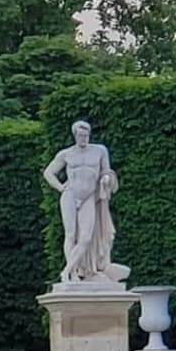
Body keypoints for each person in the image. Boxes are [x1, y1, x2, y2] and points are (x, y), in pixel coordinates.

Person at [43, 120, 130, 285]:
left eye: (86, 135)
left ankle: (66, 270)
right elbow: (48, 173)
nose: (84, 138)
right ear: (75, 135)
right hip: (70, 195)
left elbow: (106, 170)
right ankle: (73, 274)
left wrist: (106, 179)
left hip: (89, 197)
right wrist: (61, 188)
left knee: (85, 238)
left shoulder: (99, 151)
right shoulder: (66, 154)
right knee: (70, 235)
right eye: (81, 135)